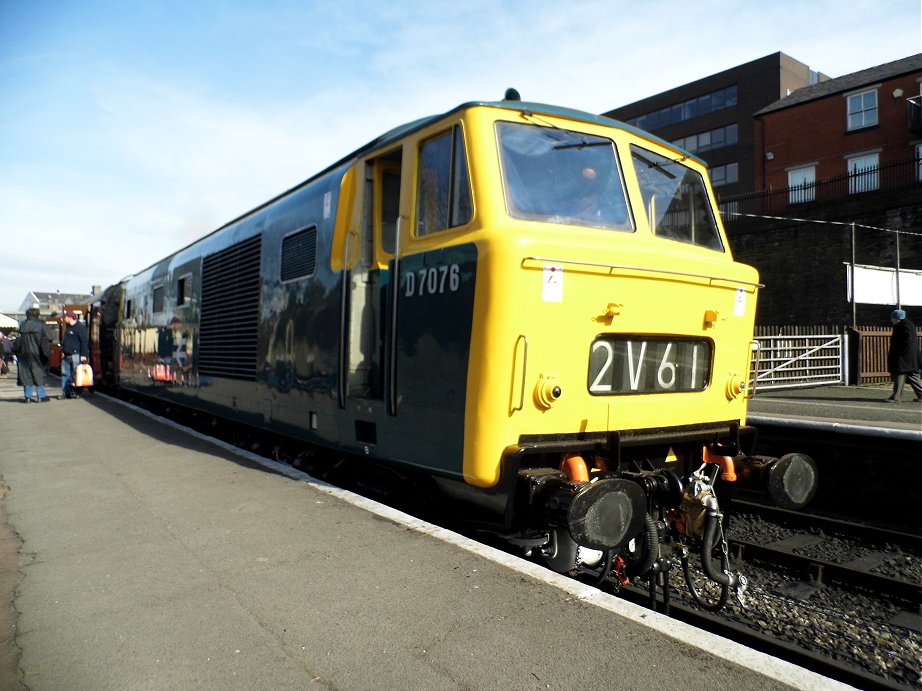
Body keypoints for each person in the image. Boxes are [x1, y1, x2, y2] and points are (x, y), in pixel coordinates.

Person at [16, 307, 53, 403]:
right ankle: (41, 396)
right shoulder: (41, 325)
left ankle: (27, 397)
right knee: (39, 373)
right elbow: (50, 337)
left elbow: (17, 342)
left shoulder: (22, 326)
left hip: (24, 353)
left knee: (26, 374)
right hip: (38, 353)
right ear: (37, 315)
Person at [886, 309, 922, 403]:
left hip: (904, 357)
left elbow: (907, 340)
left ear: (897, 319)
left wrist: (900, 352)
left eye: (892, 318)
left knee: (899, 375)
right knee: (912, 376)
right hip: (910, 357)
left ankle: (896, 397)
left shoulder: (903, 325)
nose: (891, 320)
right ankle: (921, 395)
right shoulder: (908, 324)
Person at [60, 310, 89, 399]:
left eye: (65, 317)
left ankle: (77, 392)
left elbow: (84, 342)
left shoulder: (80, 328)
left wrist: (83, 355)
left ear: (69, 317)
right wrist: (63, 351)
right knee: (65, 374)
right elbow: (65, 341)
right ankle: (66, 393)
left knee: (77, 374)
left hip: (76, 354)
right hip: (67, 354)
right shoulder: (68, 327)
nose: (63, 318)